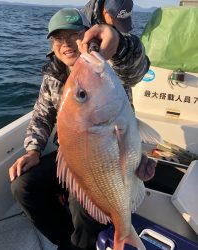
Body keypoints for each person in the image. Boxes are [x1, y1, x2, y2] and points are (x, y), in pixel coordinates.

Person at [9, 7, 151, 250]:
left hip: (111, 154)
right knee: (23, 186)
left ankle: (88, 242)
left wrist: (118, 44)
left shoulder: (107, 65)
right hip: (76, 154)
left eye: (73, 36)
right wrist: (33, 150)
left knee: (81, 202)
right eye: (57, 38)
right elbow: (42, 116)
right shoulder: (53, 74)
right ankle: (66, 242)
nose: (65, 44)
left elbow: (137, 67)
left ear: (88, 36)